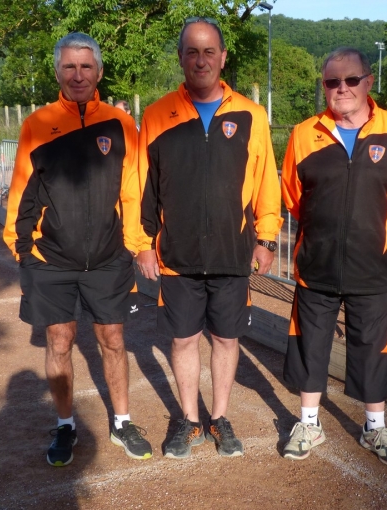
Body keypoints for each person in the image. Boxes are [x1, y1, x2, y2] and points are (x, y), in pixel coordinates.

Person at [136, 17, 283, 459]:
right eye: (192, 52)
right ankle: (189, 421)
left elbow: (266, 182)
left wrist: (267, 238)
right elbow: (143, 185)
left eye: (209, 52)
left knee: (225, 338)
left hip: (231, 251)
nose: (201, 60)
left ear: (223, 57)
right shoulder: (157, 114)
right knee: (182, 340)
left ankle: (219, 418)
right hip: (177, 255)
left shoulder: (252, 115)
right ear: (181, 57)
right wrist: (142, 243)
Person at [3, 33, 152, 466]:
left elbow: (133, 189)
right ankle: (65, 425)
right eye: (69, 67)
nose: (78, 75)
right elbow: (21, 191)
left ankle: (122, 422)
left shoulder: (120, 124)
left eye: (86, 67)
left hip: (107, 258)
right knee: (59, 340)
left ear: (99, 72)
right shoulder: (37, 123)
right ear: (58, 73)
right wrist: (21, 249)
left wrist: (134, 246)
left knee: (113, 339)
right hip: (51, 259)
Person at [280, 47, 387, 464]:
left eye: (350, 80)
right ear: (324, 86)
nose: (341, 88)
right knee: (310, 346)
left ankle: (375, 428)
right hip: (317, 265)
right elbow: (293, 196)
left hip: (373, 267)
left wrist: (378, 237)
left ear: (368, 81)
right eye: (332, 82)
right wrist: (323, 234)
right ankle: (309, 423)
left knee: (372, 348)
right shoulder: (303, 134)